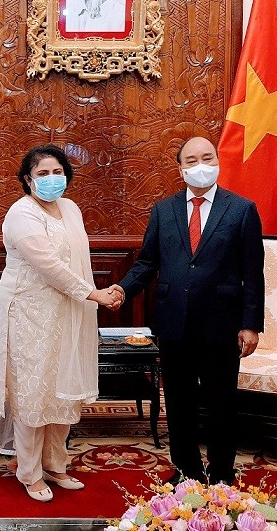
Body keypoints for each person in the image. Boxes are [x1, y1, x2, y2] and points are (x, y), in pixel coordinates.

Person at [111, 136, 265, 485]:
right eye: (192, 161)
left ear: (218, 161)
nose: (200, 166)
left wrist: (250, 324)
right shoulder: (163, 210)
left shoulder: (241, 209)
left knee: (221, 402)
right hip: (173, 321)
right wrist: (123, 288)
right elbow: (148, 262)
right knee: (179, 403)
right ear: (181, 169)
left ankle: (222, 473)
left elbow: (252, 272)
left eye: (207, 158)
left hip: (221, 323)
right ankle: (186, 472)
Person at [0, 144, 122, 502]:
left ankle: (55, 464)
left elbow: (78, 260)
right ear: (27, 180)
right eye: (42, 174)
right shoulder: (21, 214)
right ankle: (29, 471)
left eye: (57, 172)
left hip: (67, 311)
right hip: (28, 314)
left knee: (61, 386)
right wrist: (94, 294)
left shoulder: (70, 208)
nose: (52, 179)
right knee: (32, 392)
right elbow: (48, 265)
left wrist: (92, 292)